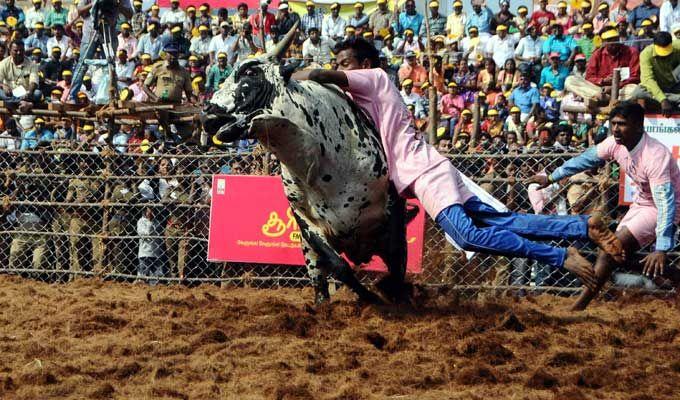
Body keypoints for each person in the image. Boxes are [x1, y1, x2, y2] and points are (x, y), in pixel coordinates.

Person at [293, 38, 626, 300]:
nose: (339, 69)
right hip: (429, 168)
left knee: (467, 235)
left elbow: (322, 76)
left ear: (364, 65)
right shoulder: (367, 95)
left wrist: (292, 76)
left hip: (425, 172)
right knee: (504, 221)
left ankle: (559, 257)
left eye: (345, 64)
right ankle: (583, 227)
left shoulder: (376, 77)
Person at [528, 102, 680, 311]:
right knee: (616, 253)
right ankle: (673, 274)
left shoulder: (655, 155)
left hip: (663, 207)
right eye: (613, 123)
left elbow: (665, 202)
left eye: (622, 124)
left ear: (638, 125)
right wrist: (552, 177)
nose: (615, 129)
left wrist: (662, 248)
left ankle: (579, 306)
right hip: (642, 203)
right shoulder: (614, 143)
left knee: (609, 251)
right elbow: (584, 160)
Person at [565, 27, 640, 106]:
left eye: (615, 39)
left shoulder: (631, 52)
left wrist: (615, 87)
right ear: (603, 42)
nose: (613, 43)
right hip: (600, 90)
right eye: (609, 40)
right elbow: (589, 77)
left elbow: (635, 77)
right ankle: (602, 97)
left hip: (623, 89)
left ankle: (601, 98)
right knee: (570, 80)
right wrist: (603, 80)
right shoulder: (597, 54)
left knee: (636, 90)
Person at [632, 32, 680, 117]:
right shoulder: (646, 54)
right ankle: (676, 98)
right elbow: (648, 79)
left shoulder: (678, 46)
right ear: (654, 45)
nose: (665, 56)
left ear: (671, 43)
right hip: (657, 85)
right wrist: (663, 99)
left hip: (675, 84)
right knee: (638, 93)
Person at [137, 205, 165, 284]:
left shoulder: (157, 222)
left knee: (156, 278)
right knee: (143, 276)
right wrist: (149, 221)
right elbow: (146, 234)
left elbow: (157, 234)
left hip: (156, 253)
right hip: (144, 253)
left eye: (153, 211)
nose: (151, 213)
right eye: (149, 211)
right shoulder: (141, 221)